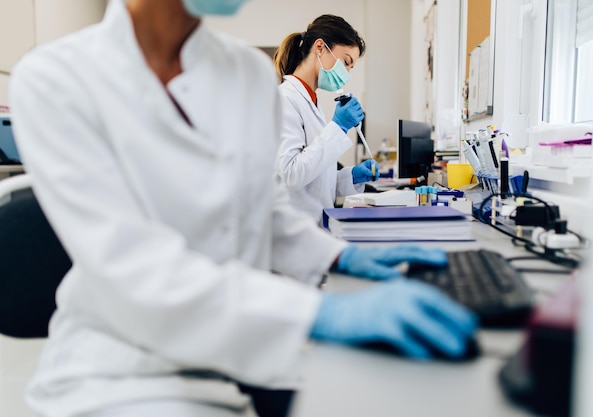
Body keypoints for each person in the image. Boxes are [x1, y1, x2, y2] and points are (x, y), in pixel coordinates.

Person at [9, 1, 478, 417]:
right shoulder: (57, 77)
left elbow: (263, 207)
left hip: (246, 342)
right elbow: (133, 267)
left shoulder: (244, 74)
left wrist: (339, 256)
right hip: (127, 368)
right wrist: (320, 314)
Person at [273, 15, 378, 226]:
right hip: (293, 231)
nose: (347, 73)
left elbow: (316, 180)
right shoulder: (283, 99)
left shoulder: (312, 102)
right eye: (346, 62)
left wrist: (351, 176)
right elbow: (292, 175)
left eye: (351, 67)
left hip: (313, 229)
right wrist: (338, 127)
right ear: (320, 47)